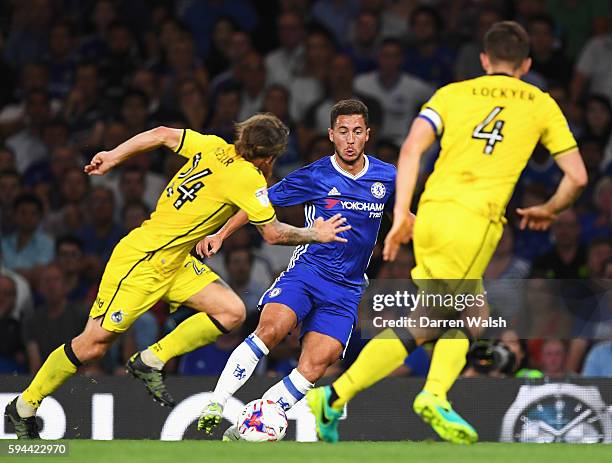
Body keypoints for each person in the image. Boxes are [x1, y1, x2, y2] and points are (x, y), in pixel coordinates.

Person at [308, 21, 588, 445]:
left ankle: (333, 396)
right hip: (475, 220)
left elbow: (411, 147)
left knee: (434, 316)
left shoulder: (453, 92)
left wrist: (402, 211)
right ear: (526, 64)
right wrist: (551, 209)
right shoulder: (540, 102)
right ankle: (434, 394)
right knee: (461, 315)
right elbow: (578, 177)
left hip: (433, 213)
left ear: (484, 60)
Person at [4, 113, 349, 439]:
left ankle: (151, 359)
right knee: (94, 342)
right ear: (269, 156)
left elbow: (161, 134)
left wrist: (113, 155)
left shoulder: (212, 145)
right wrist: (314, 233)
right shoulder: (248, 178)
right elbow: (272, 234)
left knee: (231, 311)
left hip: (175, 260)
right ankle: (24, 405)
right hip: (143, 261)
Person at [196, 99, 397, 437]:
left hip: (347, 288)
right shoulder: (315, 175)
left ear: (368, 135)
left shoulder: (386, 177)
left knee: (315, 366)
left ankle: (249, 427)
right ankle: (216, 401)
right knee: (271, 330)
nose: (350, 139)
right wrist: (221, 234)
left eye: (357, 132)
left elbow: (403, 217)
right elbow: (260, 203)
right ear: (332, 135)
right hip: (309, 272)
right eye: (344, 132)